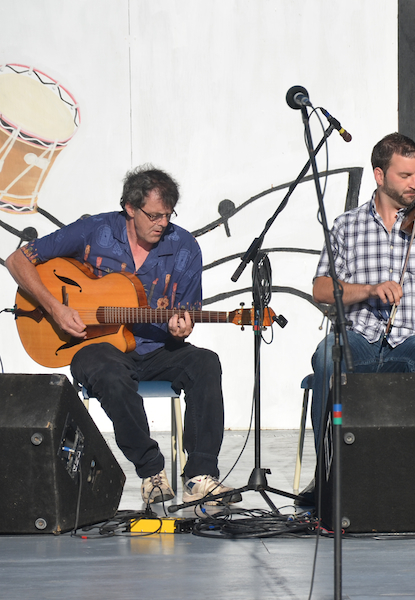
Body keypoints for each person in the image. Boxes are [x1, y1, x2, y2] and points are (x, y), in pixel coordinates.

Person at [5, 165, 240, 507]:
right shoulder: (94, 230)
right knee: (111, 375)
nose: (162, 223)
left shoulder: (184, 246)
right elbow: (18, 260)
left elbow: (185, 313)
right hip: (97, 348)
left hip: (157, 348)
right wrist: (56, 309)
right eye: (154, 215)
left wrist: (181, 328)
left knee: (205, 363)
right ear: (130, 207)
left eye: (168, 215)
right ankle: (152, 472)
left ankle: (200, 477)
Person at [309, 132, 415, 446]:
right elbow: (321, 289)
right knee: (328, 354)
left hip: (413, 339)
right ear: (380, 176)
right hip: (359, 339)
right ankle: (329, 467)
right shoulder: (347, 225)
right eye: (405, 176)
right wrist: (370, 290)